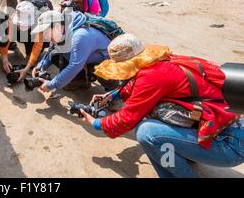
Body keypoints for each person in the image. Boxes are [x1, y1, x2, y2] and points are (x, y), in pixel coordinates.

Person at [78, 34, 243, 178]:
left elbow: (127, 118)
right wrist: (111, 96)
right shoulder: (161, 61)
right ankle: (184, 154)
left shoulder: (151, 76)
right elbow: (133, 87)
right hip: (228, 128)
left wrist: (96, 123)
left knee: (147, 133)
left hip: (229, 145)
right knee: (155, 115)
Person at [31, 10, 113, 93]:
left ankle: (115, 89)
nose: (45, 36)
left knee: (103, 72)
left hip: (108, 60)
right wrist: (41, 66)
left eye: (45, 31)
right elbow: (52, 50)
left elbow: (75, 66)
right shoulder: (61, 30)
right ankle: (81, 80)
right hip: (86, 55)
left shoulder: (80, 36)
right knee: (55, 53)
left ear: (57, 26)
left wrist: (51, 85)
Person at [0, 0, 51, 81]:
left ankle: (28, 43)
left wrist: (26, 69)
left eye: (25, 25)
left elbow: (37, 47)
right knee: (2, 42)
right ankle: (14, 44)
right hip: (23, 32)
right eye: (20, 25)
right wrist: (4, 60)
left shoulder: (39, 22)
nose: (22, 27)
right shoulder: (12, 19)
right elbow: (5, 40)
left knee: (31, 52)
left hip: (36, 34)